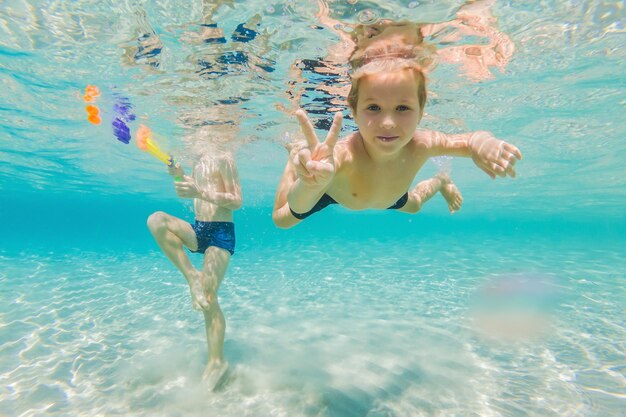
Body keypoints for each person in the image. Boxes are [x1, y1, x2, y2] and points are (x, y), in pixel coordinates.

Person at [272, 57, 521, 229]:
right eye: (373, 108)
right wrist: (310, 185)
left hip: (390, 195)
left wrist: (482, 142)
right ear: (354, 112)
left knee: (413, 206)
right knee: (281, 220)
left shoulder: (423, 143)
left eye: (402, 108)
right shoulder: (342, 154)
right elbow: (298, 204)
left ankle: (441, 180)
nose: (388, 122)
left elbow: (468, 141)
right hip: (329, 187)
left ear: (421, 111)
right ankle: (295, 153)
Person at [147, 150, 242, 390]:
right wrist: (179, 176)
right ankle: (192, 278)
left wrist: (198, 191)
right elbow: (192, 193)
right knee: (156, 220)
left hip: (221, 232)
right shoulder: (198, 157)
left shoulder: (225, 156)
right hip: (199, 228)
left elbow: (236, 200)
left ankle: (217, 362)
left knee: (209, 299)